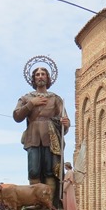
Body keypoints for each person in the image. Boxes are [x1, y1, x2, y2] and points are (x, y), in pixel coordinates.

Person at [13, 65, 70, 197]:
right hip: (32, 137)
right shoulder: (26, 98)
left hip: (50, 137)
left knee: (50, 171)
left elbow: (64, 118)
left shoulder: (56, 98)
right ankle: (34, 201)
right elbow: (17, 116)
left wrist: (66, 124)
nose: (40, 76)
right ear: (33, 78)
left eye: (43, 74)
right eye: (37, 74)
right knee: (34, 171)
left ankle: (49, 202)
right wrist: (31, 103)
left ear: (48, 77)